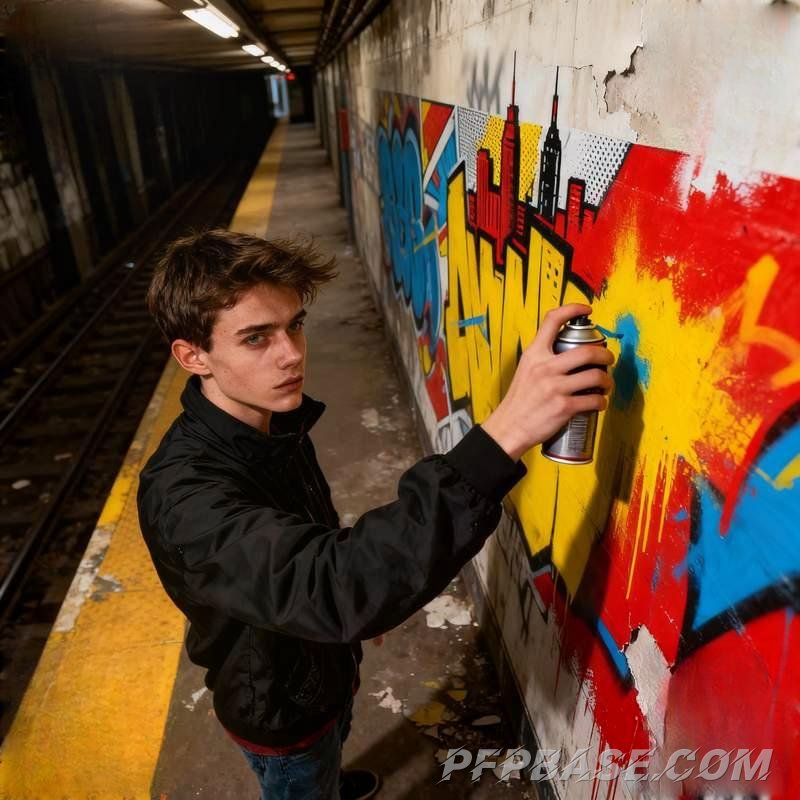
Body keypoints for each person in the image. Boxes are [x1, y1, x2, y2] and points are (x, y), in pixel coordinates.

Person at [137, 229, 614, 800]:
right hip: (282, 713)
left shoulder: (268, 422)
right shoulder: (184, 495)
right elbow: (328, 586)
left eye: (294, 325)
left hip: (319, 664)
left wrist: (366, 605)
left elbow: (317, 554)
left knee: (331, 748)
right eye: (256, 338)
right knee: (304, 775)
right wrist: (503, 435)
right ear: (193, 356)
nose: (291, 354)